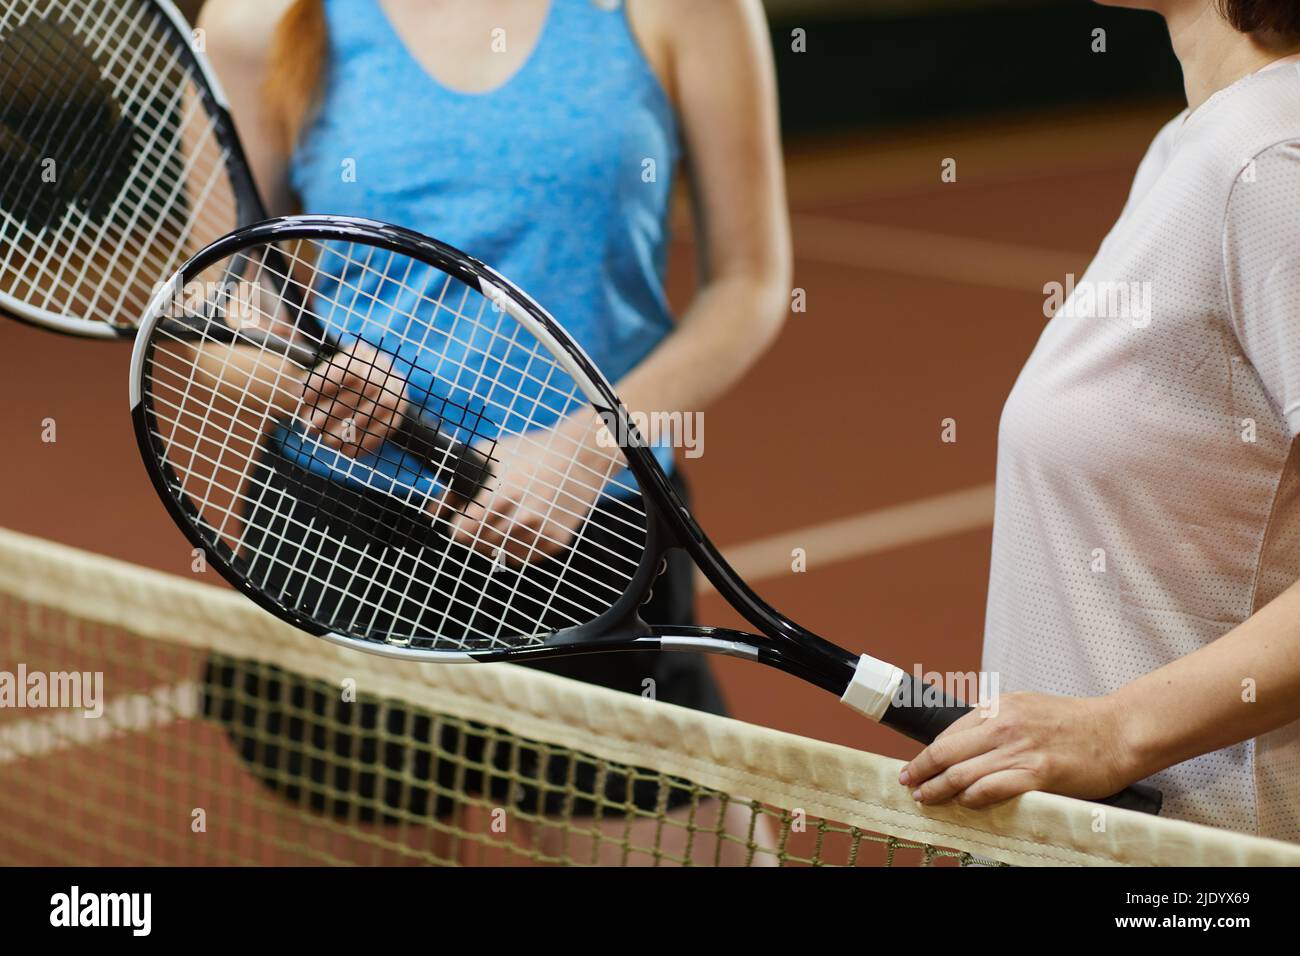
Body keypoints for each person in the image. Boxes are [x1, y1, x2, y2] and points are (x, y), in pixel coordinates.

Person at [196, 0, 791, 863]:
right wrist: (309, 382)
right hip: (343, 545)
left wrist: (591, 447)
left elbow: (750, 281)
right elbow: (216, 299)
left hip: (594, 535)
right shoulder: (255, 17)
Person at [903, 0, 1300, 839]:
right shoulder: (1192, 142)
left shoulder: (1271, 160)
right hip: (1092, 837)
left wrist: (1114, 731)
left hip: (1206, 856)